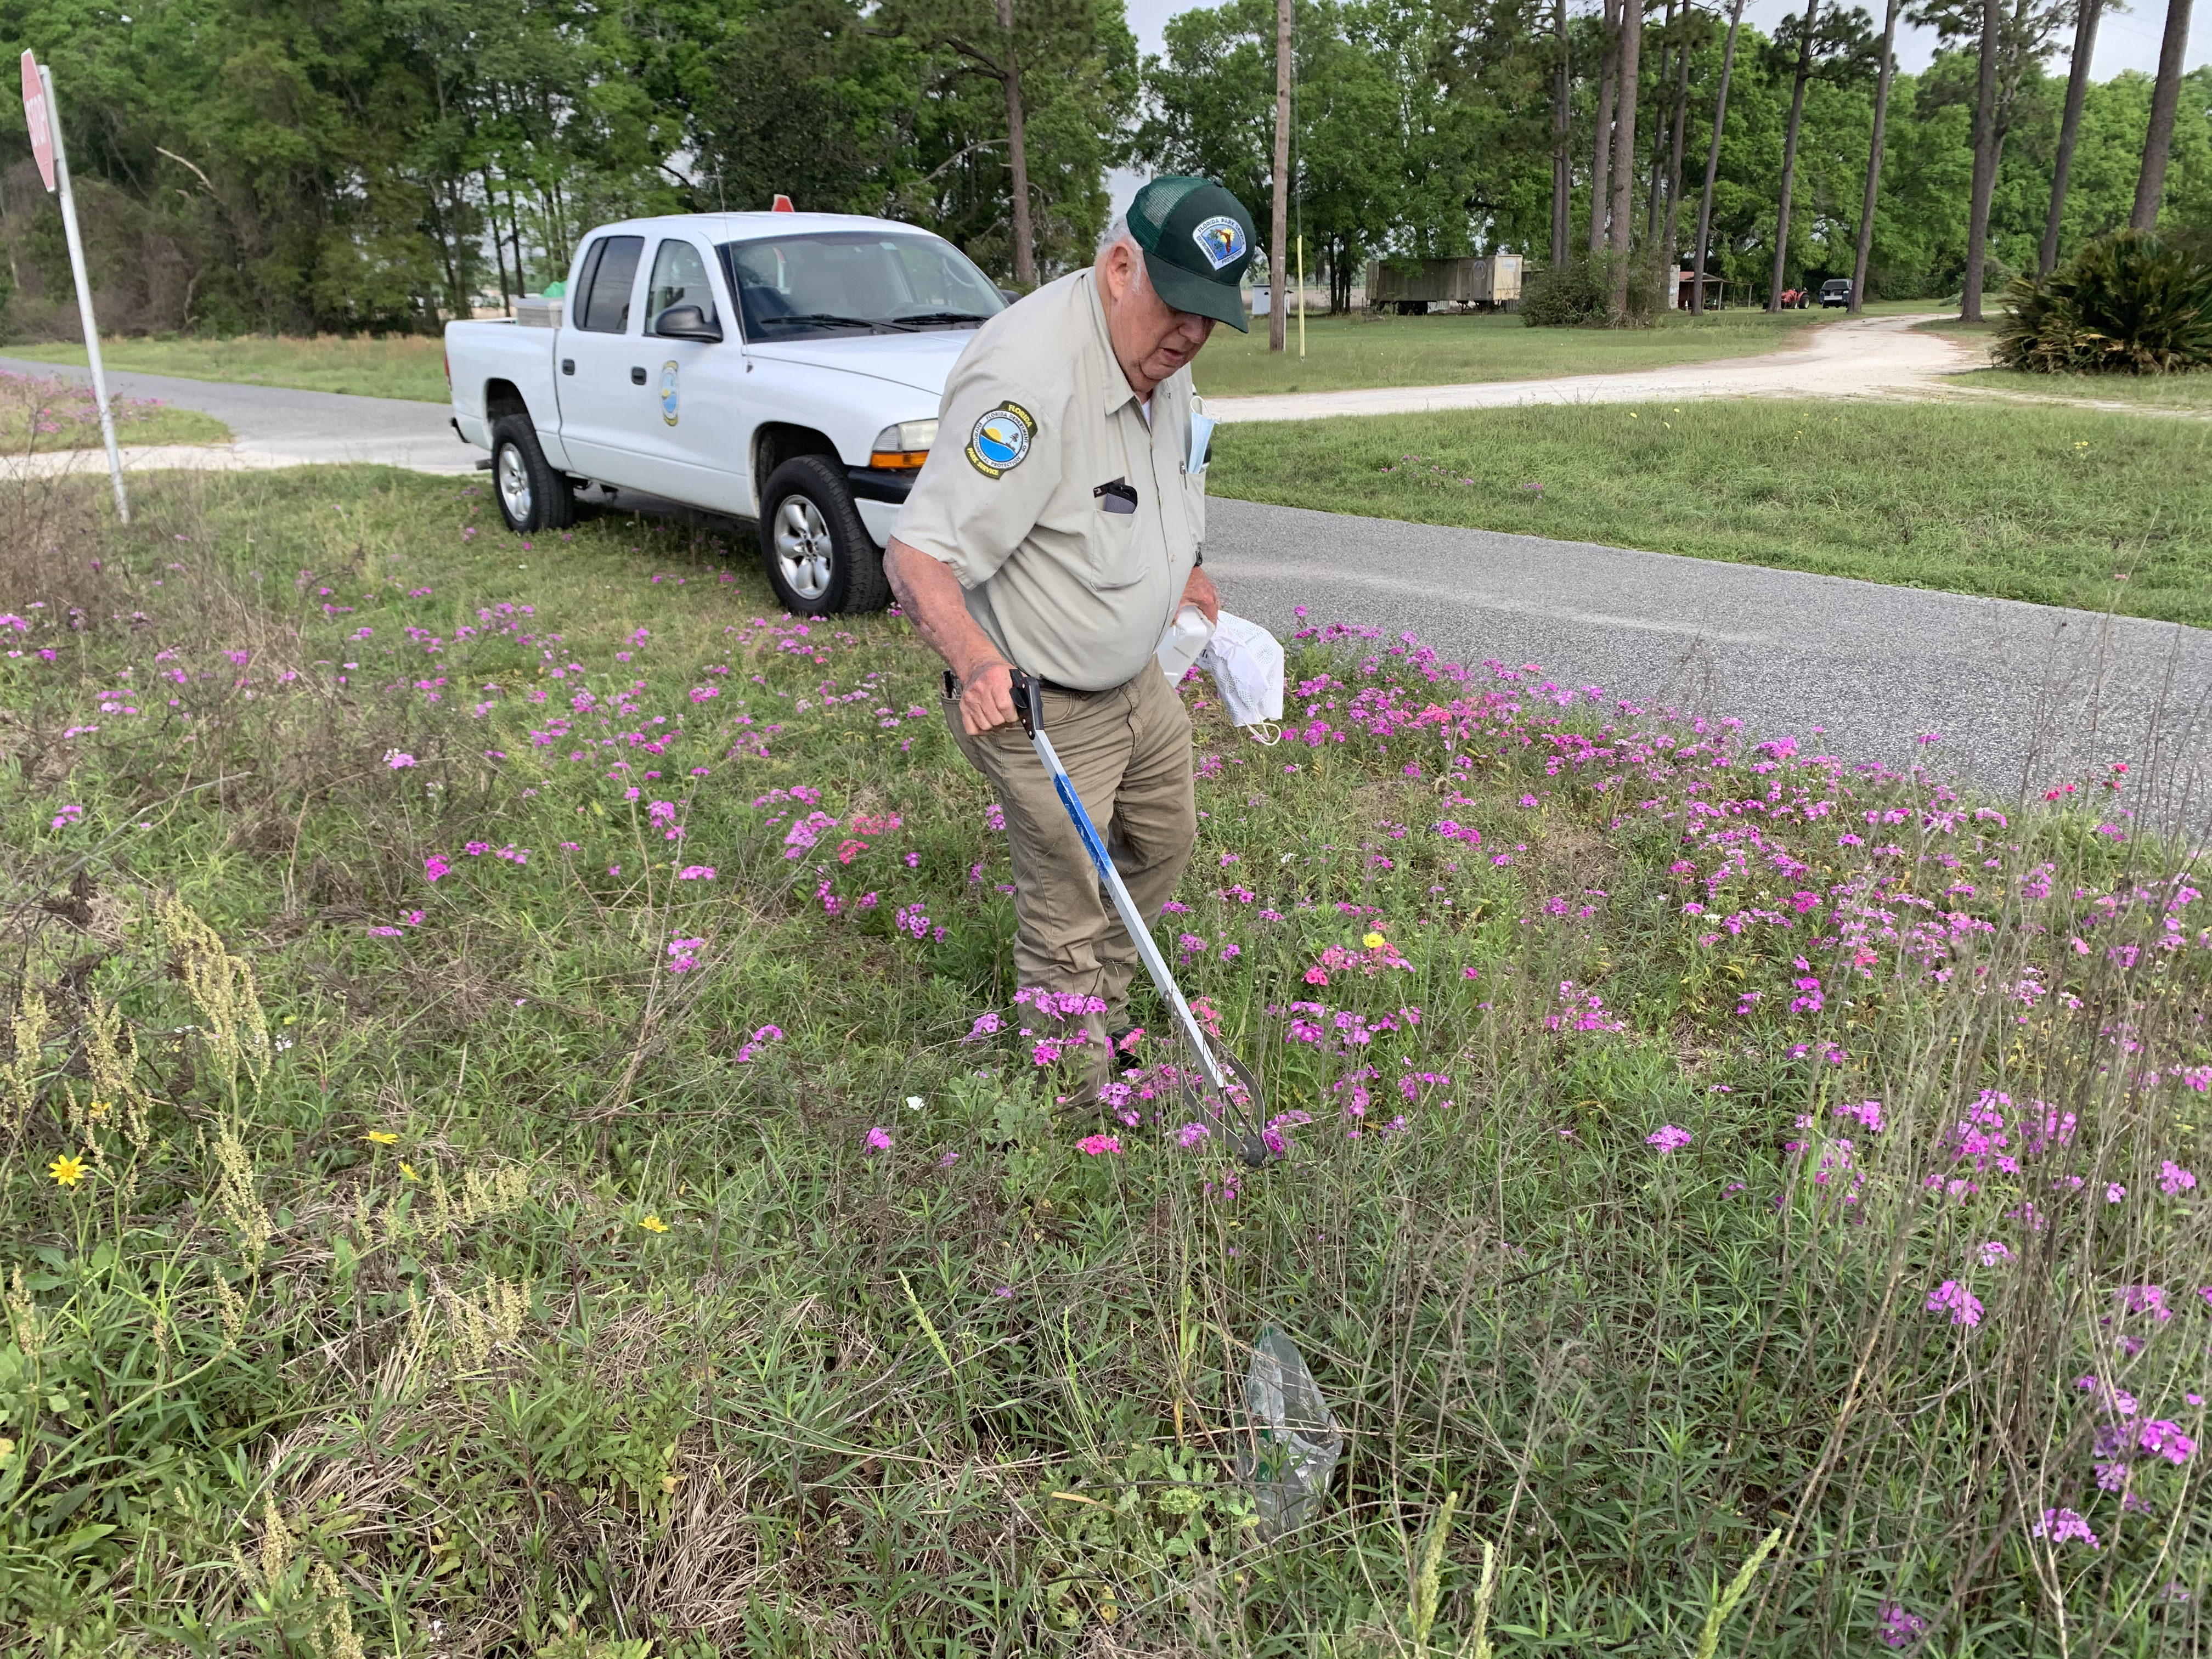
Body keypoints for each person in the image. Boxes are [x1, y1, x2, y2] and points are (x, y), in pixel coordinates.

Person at [883, 175, 1256, 1107]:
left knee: (1163, 842)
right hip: (1042, 703)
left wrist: (1191, 567)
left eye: (1209, 317)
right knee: (1068, 897)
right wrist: (976, 662)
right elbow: (917, 556)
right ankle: (1077, 1102)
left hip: (1139, 682)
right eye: (1177, 307)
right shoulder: (1028, 383)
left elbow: (1176, 473)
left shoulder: (1160, 357)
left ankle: (1110, 1010)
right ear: (1121, 267)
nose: (1191, 335)